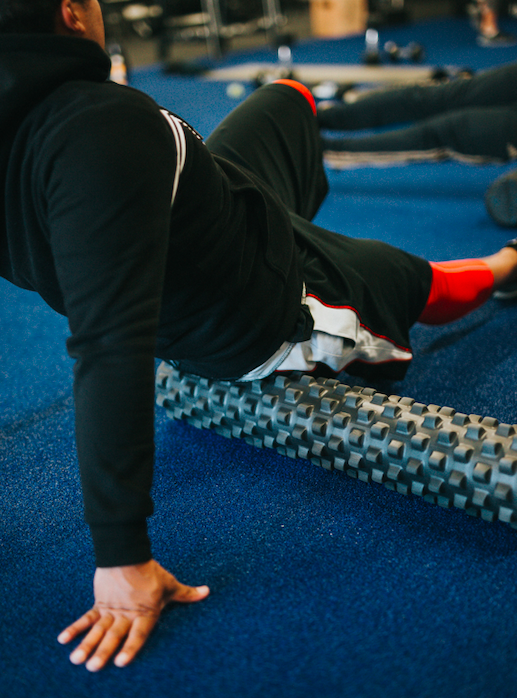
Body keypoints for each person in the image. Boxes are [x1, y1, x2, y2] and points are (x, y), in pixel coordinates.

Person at [2, 0, 517, 673]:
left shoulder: (91, 125)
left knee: (285, 99)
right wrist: (120, 555)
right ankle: (510, 261)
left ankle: (316, 170)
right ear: (72, 14)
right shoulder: (95, 128)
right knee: (416, 281)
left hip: (223, 210)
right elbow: (107, 346)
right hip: (269, 311)